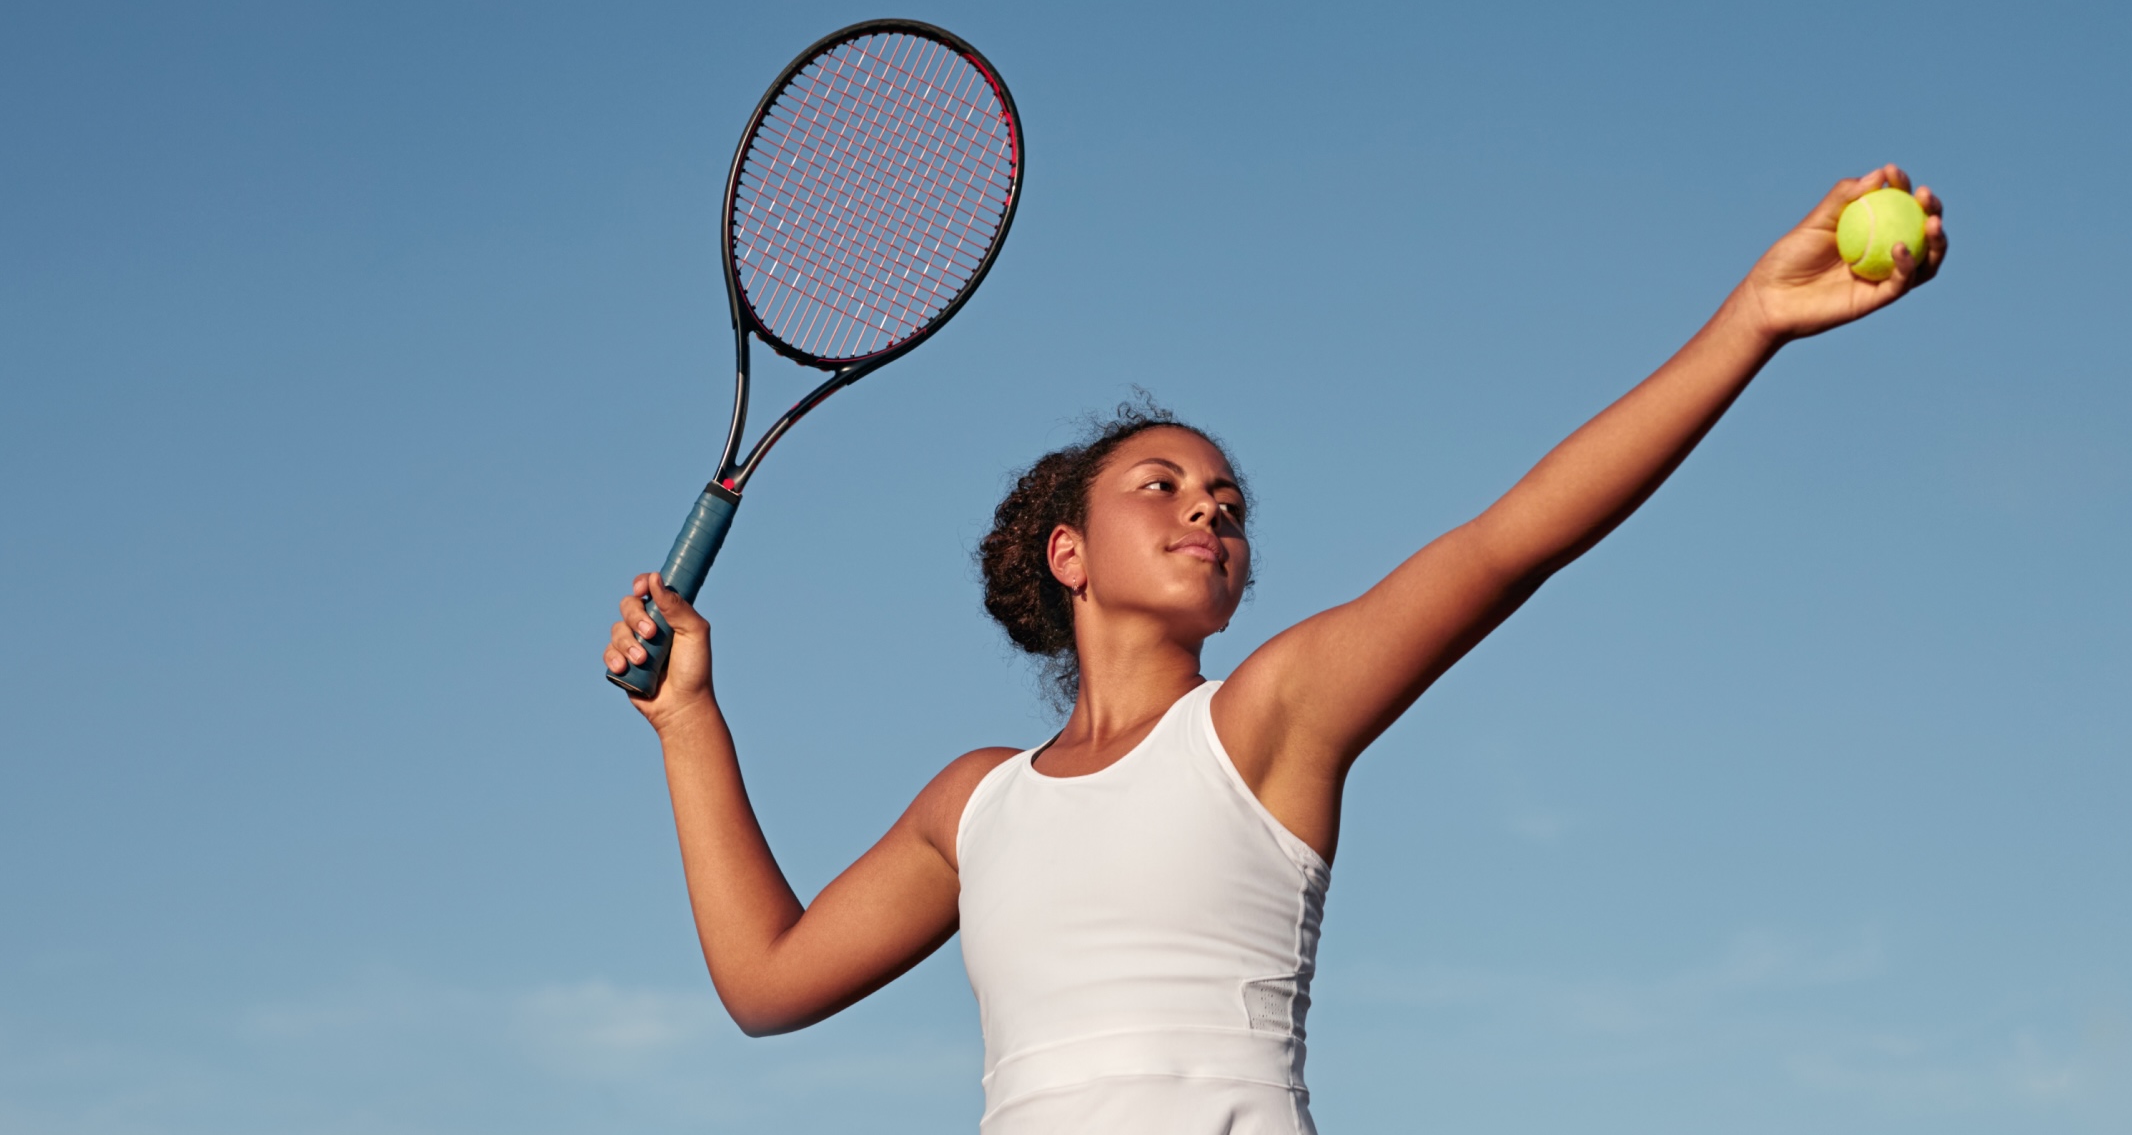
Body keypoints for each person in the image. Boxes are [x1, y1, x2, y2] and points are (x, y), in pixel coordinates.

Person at [603, 167, 1947, 1133]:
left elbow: (1512, 540)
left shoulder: (1267, 720)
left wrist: (1748, 325)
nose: (1209, 507)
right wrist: (688, 722)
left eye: (1229, 504)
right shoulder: (975, 807)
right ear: (1066, 555)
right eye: (1162, 486)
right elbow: (766, 982)